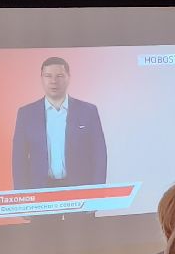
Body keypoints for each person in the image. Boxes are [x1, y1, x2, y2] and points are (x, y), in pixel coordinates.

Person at [11, 55, 107, 192]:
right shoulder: (26, 114)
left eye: (59, 76)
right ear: (41, 79)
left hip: (80, 189)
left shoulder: (88, 111)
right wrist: (22, 198)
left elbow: (99, 154)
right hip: (40, 190)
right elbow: (19, 159)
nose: (53, 81)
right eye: (48, 76)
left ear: (68, 77)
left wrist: (97, 193)